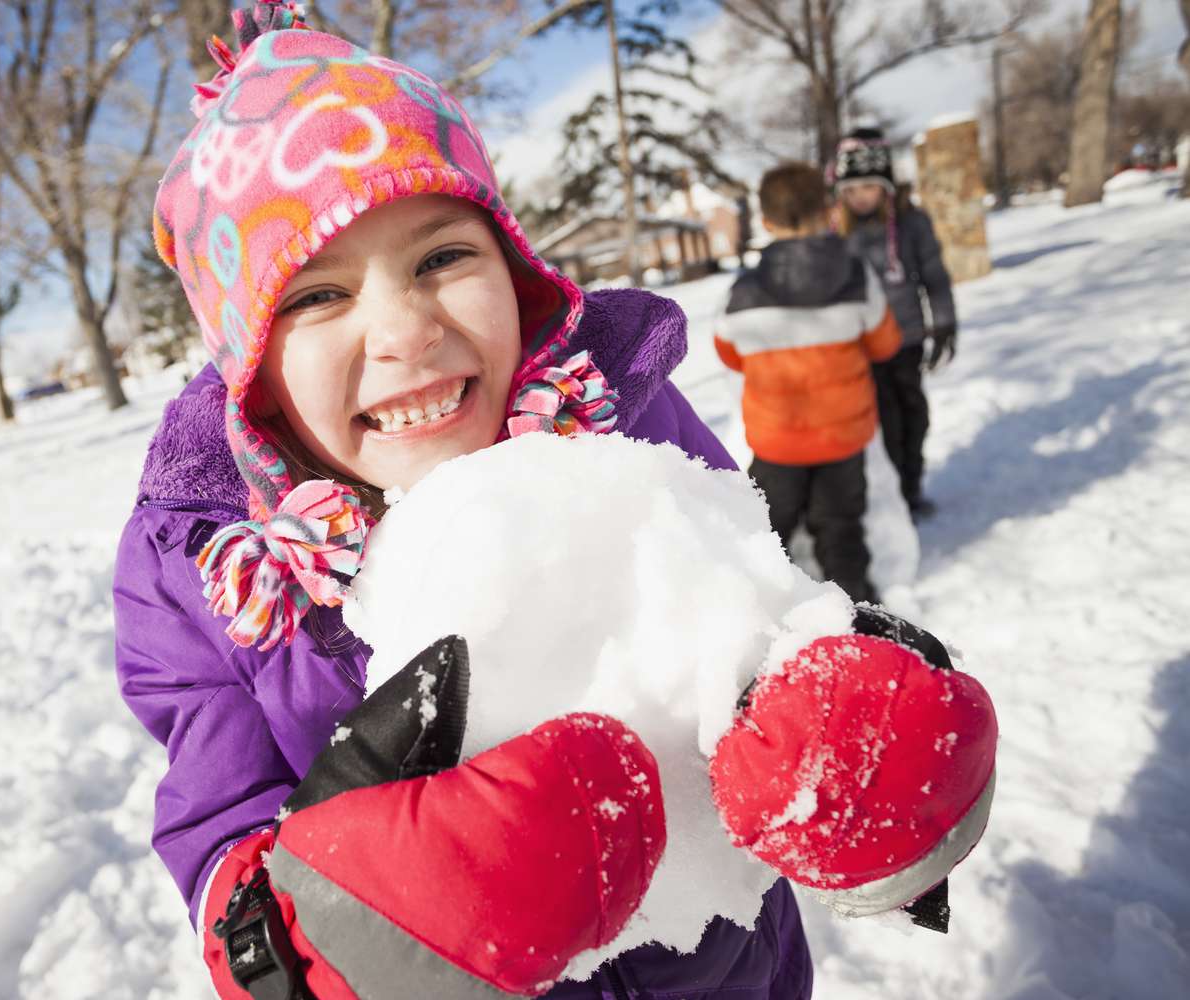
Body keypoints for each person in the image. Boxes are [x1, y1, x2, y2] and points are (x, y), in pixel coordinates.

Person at [113, 6, 997, 997]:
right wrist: (317, 941)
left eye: (442, 258)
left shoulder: (610, 416)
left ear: (513, 267)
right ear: (251, 366)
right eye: (316, 296)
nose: (404, 330)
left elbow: (755, 608)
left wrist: (864, 749)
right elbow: (218, 820)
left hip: (721, 973)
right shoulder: (203, 566)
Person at [713, 163, 901, 604]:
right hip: (843, 437)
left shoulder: (742, 293)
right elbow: (885, 343)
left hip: (777, 440)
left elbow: (729, 353)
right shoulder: (857, 278)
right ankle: (855, 611)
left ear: (765, 222)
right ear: (826, 211)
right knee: (841, 529)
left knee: (768, 528)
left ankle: (764, 606)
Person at [832, 127, 957, 520]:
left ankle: (912, 487)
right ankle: (894, 496)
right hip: (862, 346)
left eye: (867, 187)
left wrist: (944, 324)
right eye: (850, 190)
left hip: (908, 338)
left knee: (912, 415)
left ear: (885, 185)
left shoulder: (911, 223)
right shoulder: (839, 232)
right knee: (884, 421)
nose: (859, 197)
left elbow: (934, 276)